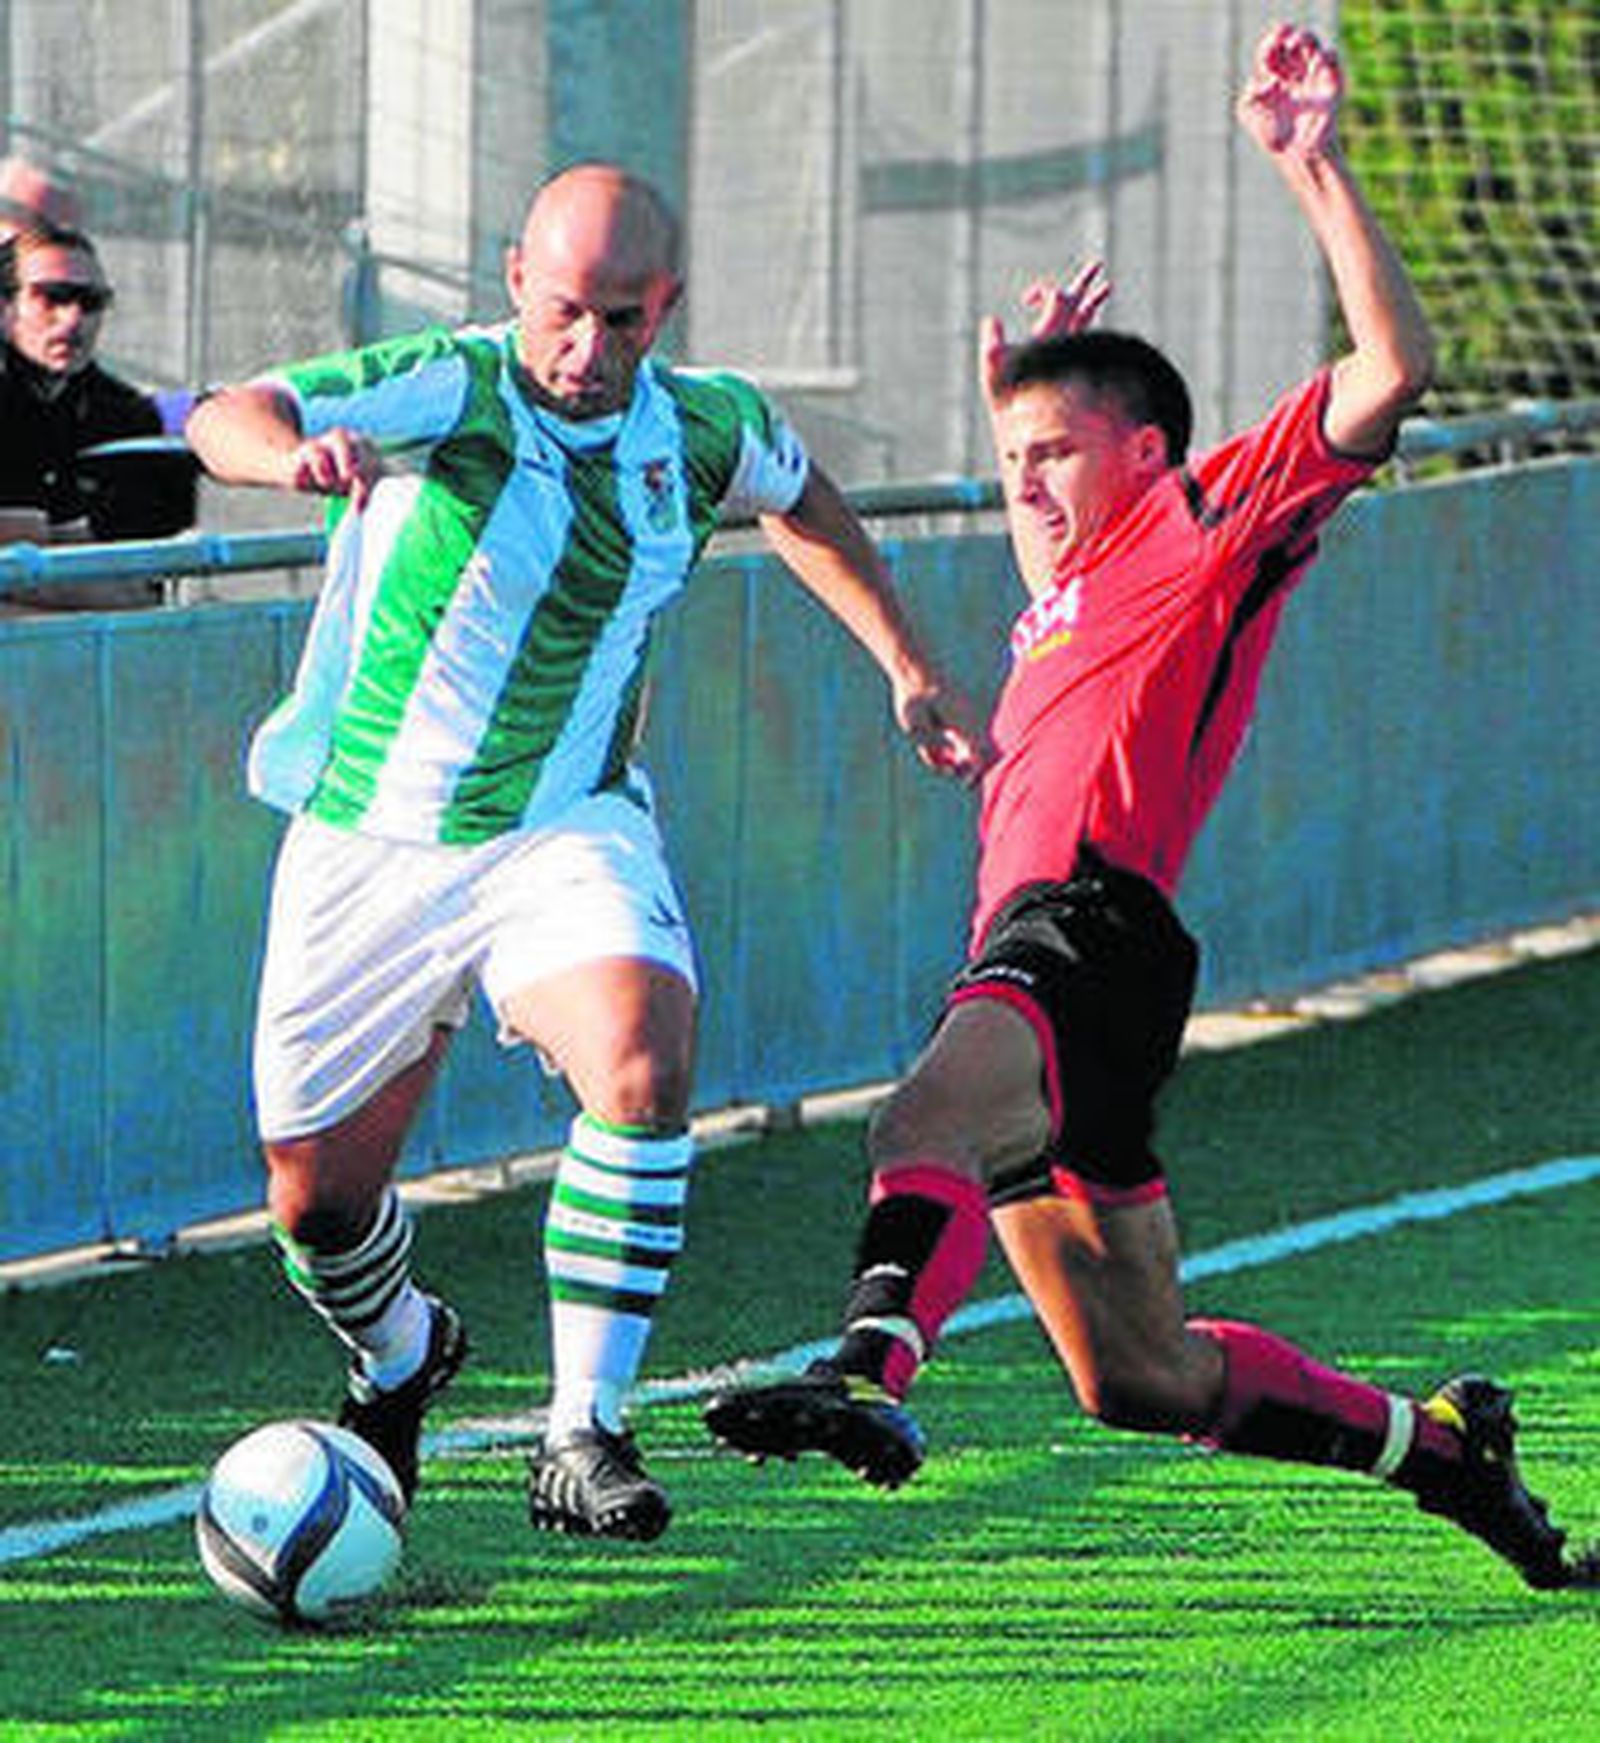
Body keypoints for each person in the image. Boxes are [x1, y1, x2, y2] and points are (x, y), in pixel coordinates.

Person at [704, 24, 1596, 1592]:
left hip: (1085, 931)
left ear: (1150, 453)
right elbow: (1062, 550)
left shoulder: (1202, 521)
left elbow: (1391, 373)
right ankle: (1443, 1446)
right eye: (1010, 455)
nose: (1024, 481)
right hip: (1072, 955)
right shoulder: (1074, 580)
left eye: (1054, 454)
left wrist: (1312, 165)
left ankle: (866, 1370)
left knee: (921, 1122)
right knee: (1137, 1373)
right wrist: (1023, 397)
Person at [185, 161, 986, 1539]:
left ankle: (583, 1427)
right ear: (516, 282)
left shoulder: (705, 425)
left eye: (621, 319)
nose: (585, 346)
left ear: (664, 306)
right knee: (314, 1203)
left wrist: (906, 664)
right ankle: (402, 1353)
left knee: (642, 1055)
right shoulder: (454, 386)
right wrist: (288, 457)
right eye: (562, 310)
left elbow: (804, 497)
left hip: (565, 823)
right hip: (372, 839)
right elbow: (229, 413)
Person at [0, 222, 198, 603]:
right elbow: (18, 569)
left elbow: (69, 553)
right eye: (52, 297)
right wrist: (139, 605)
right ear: (4, 306)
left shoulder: (88, 398)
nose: (73, 317)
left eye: (91, 302)